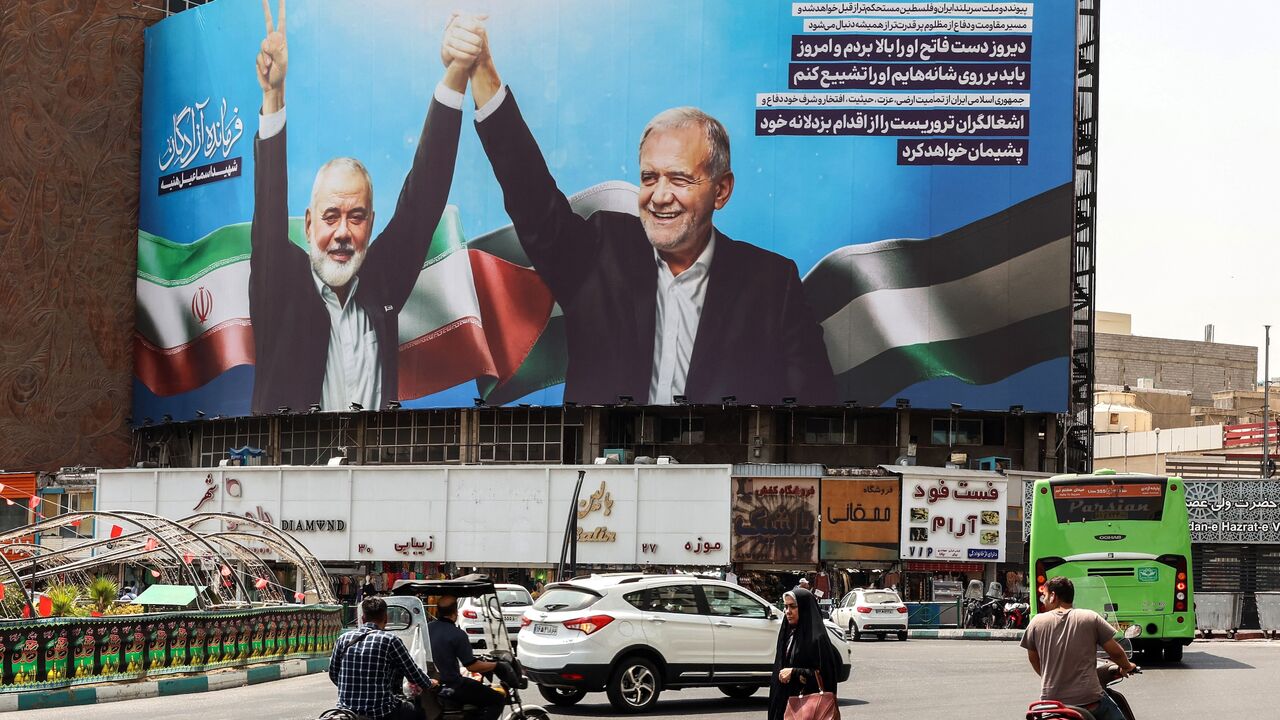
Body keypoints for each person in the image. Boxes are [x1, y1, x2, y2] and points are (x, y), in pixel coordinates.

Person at [458, 19, 837, 406]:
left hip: (718, 466)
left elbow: (813, 409)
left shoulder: (773, 284)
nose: (659, 196)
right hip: (605, 466)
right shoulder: (598, 251)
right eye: (649, 177)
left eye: (679, 179)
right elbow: (531, 198)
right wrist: (483, 72)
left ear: (721, 190)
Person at [249, 1, 475, 413]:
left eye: (355, 217)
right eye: (331, 216)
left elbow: (423, 198)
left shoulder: (381, 281)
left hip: (374, 472)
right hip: (294, 474)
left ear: (370, 224)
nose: (342, 233)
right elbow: (267, 211)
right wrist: (273, 96)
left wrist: (457, 73)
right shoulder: (278, 285)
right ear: (307, 224)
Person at [1021, 577, 1137, 720]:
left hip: (1050, 703)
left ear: (1053, 596)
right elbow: (1116, 652)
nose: (1043, 601)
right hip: (1088, 702)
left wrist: (1053, 677)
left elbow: (1034, 659)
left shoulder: (1036, 622)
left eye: (1044, 596)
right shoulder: (1089, 617)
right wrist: (1127, 665)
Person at [329, 597, 438, 720]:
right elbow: (414, 674)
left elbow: (333, 673)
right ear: (386, 618)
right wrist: (430, 683)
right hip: (380, 712)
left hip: (345, 711)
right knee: (416, 712)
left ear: (362, 618)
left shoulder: (343, 639)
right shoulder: (390, 640)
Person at [428, 595, 506, 720]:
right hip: (453, 685)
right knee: (497, 699)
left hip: (433, 683)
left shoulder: (427, 628)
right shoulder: (458, 634)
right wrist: (496, 665)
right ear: (455, 613)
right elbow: (471, 666)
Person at [769, 588, 839, 720]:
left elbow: (826, 676)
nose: (788, 612)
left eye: (793, 607)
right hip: (785, 704)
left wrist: (795, 672)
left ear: (805, 608)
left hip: (808, 708)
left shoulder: (817, 639)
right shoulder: (787, 633)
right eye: (785, 606)